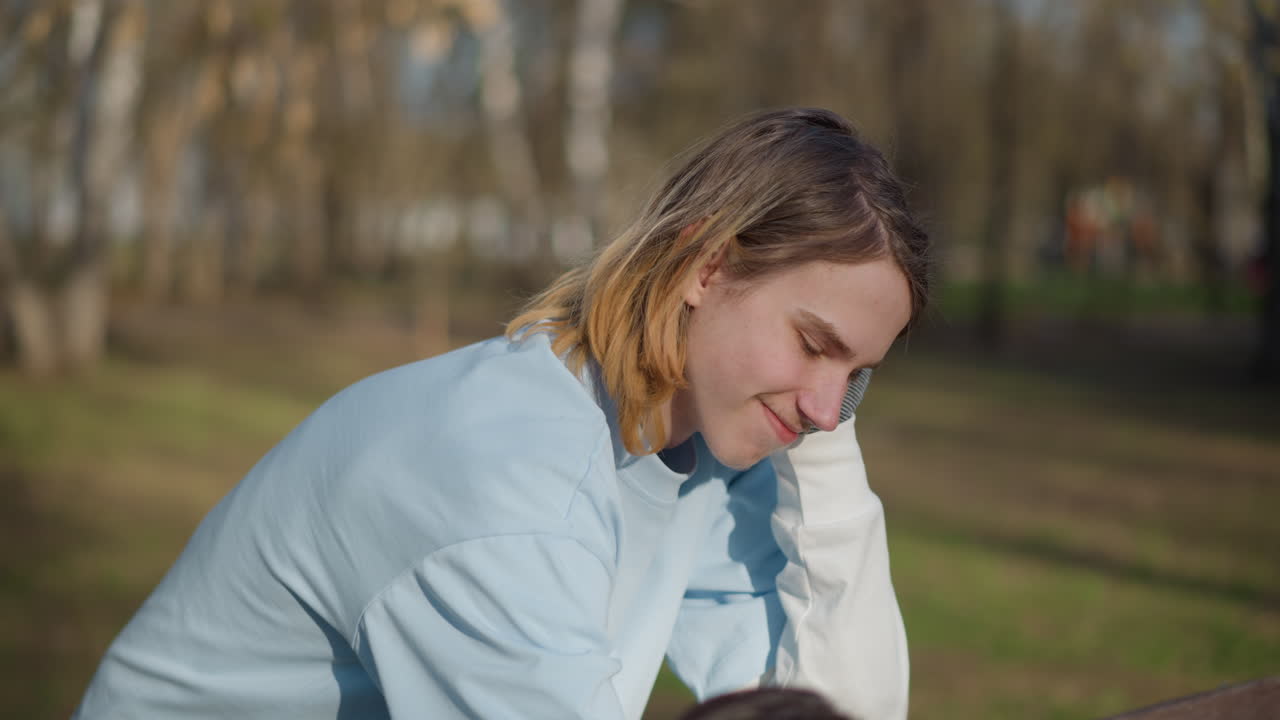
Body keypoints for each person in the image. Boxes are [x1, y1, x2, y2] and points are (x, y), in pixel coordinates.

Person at [74, 107, 930, 720]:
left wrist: (824, 449)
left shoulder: (696, 450)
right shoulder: (508, 490)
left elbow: (842, 709)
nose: (827, 406)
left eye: (859, 375)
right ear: (706, 267)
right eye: (814, 343)